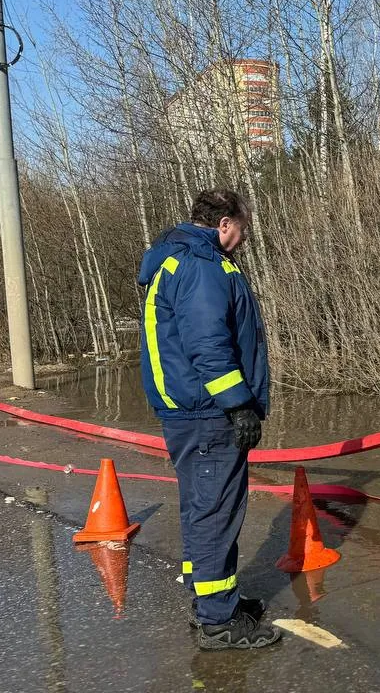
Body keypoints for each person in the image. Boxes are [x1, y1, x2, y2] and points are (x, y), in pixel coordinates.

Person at [138, 188, 280, 650]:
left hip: (192, 411)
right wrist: (238, 404)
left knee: (204, 507)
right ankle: (217, 621)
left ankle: (216, 602)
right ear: (224, 224)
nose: (243, 240)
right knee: (215, 512)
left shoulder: (179, 260)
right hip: (207, 413)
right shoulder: (201, 267)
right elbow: (208, 345)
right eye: (242, 230)